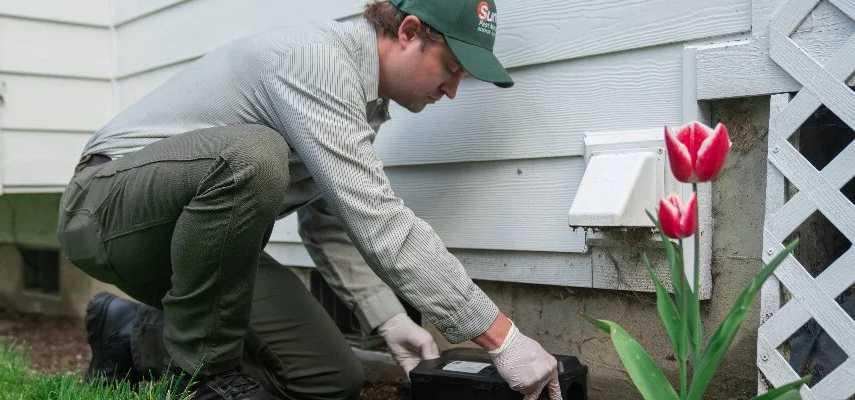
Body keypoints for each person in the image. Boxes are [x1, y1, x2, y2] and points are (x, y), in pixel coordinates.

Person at [57, 0, 563, 399]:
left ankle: (129, 334)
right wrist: (500, 336)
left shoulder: (361, 106)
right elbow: (381, 223)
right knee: (253, 154)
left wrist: (387, 318)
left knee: (327, 379)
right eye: (450, 68)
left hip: (196, 249)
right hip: (104, 208)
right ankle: (201, 381)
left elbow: (328, 223)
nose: (452, 89)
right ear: (408, 32)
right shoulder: (315, 62)